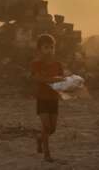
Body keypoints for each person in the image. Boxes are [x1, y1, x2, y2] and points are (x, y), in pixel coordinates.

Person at [31, 34, 65, 162]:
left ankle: (39, 139)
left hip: (54, 98)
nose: (49, 50)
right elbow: (36, 78)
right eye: (46, 47)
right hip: (42, 98)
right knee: (46, 126)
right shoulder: (36, 63)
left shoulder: (58, 64)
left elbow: (62, 78)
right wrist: (51, 79)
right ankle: (47, 154)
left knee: (52, 129)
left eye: (52, 47)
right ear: (39, 49)